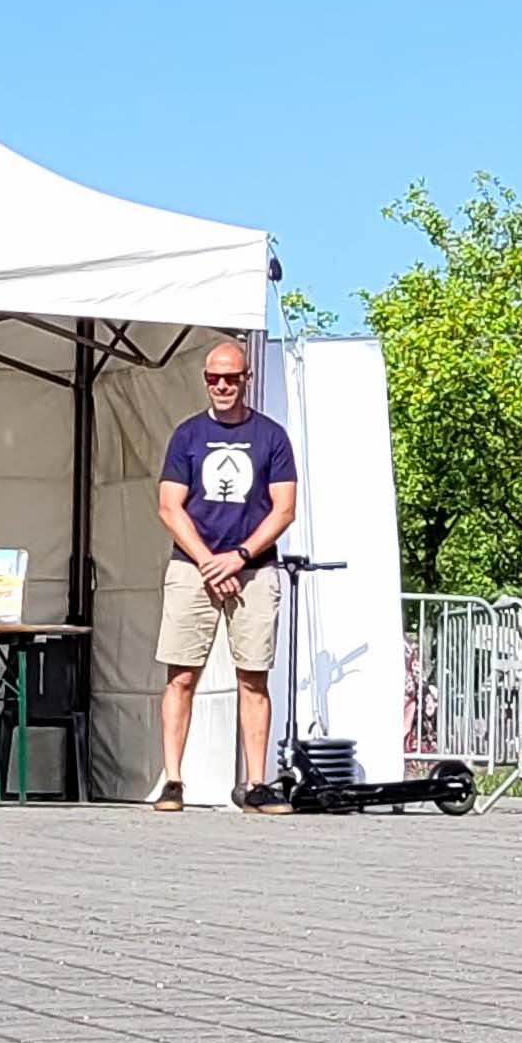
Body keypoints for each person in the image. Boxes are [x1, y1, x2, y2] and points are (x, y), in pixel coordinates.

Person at [153, 341, 299, 812]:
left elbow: (284, 509)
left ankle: (255, 783)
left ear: (246, 378)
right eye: (214, 378)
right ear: (205, 380)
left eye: (231, 378)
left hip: (253, 570)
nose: (222, 386)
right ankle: (173, 780)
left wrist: (238, 556)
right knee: (180, 675)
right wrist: (207, 561)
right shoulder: (187, 436)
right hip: (193, 568)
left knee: (253, 677)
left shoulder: (272, 437)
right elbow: (169, 506)